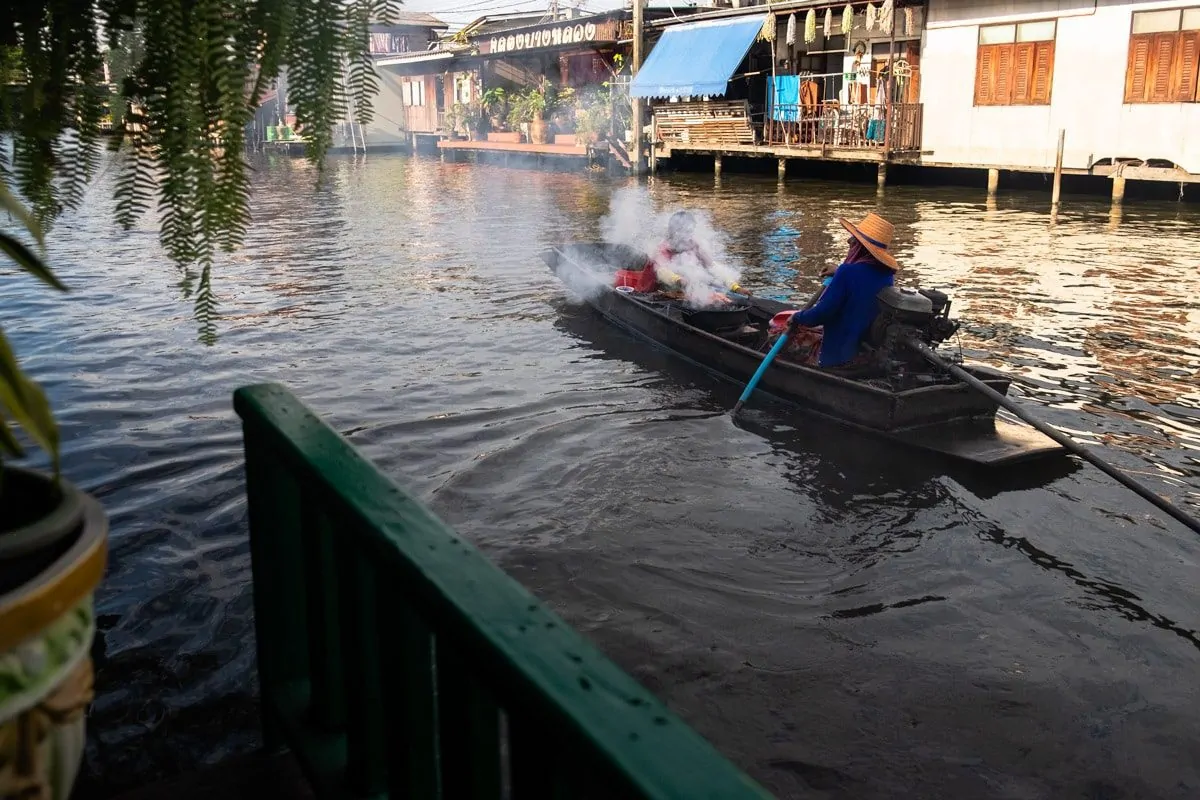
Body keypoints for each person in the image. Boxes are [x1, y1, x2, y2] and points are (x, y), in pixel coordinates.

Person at [781, 212, 899, 368]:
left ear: (860, 247)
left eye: (854, 240)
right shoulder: (887, 276)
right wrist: (838, 273)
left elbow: (820, 314)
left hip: (837, 356)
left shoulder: (847, 272)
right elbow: (863, 282)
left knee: (780, 343)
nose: (849, 241)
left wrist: (797, 317)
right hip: (864, 352)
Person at [614, 210, 745, 296]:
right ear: (674, 231)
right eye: (684, 231)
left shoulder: (694, 244)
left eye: (690, 231)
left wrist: (734, 286)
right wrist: (681, 280)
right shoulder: (663, 248)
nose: (688, 235)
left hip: (679, 293)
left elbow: (713, 267)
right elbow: (662, 272)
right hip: (649, 294)